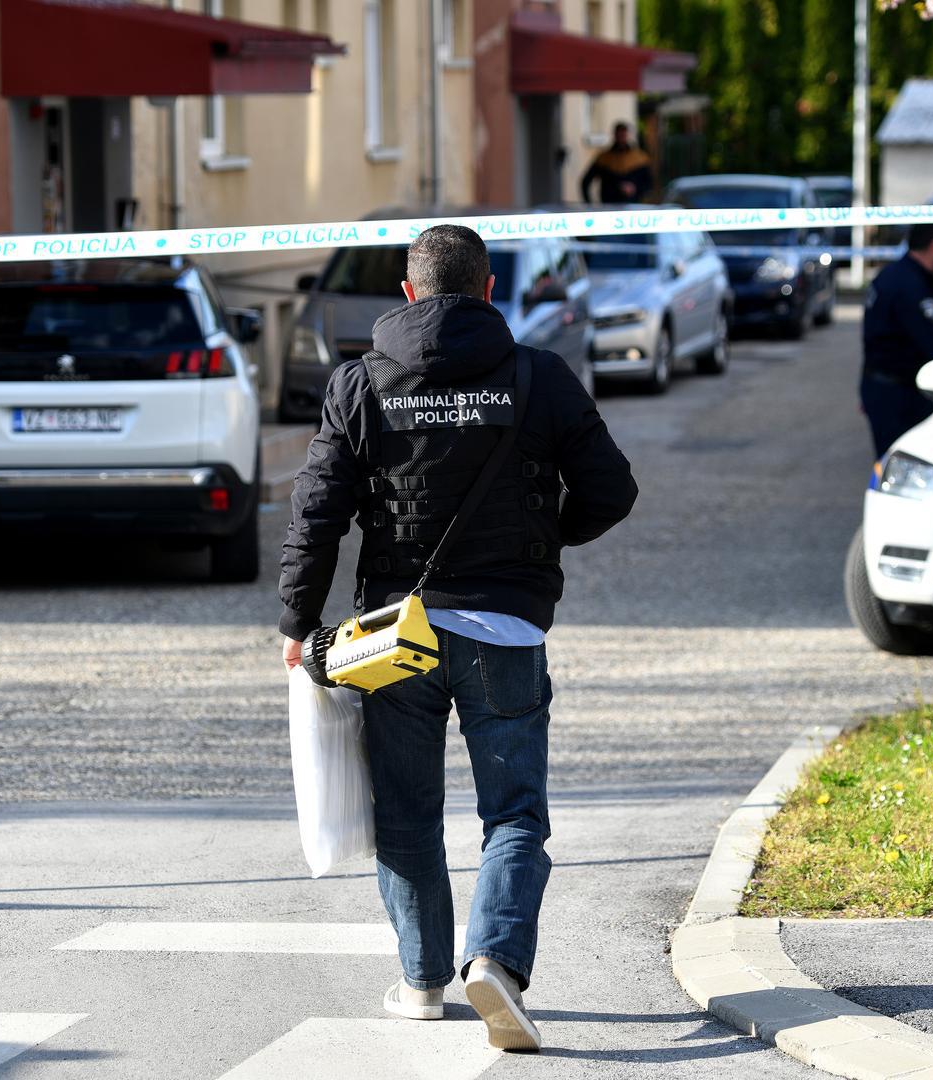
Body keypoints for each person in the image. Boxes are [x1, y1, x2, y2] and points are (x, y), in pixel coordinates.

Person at [278, 225, 637, 1052]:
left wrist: (299, 622)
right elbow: (611, 491)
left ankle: (422, 982)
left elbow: (317, 513)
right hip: (505, 630)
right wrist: (544, 541)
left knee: (406, 814)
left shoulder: (360, 384)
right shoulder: (537, 375)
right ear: (486, 291)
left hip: (392, 637)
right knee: (513, 816)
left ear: (406, 294)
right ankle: (498, 965)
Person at [860, 222, 933, 458]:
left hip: (883, 387)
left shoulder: (893, 275)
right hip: (898, 396)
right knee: (904, 463)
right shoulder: (910, 286)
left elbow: (872, 339)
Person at [580, 122, 653, 204]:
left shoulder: (640, 157)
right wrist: (589, 204)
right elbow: (585, 182)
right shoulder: (604, 158)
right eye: (619, 134)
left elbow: (649, 184)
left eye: (623, 134)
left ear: (628, 135)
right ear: (614, 135)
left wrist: (635, 188)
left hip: (633, 204)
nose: (621, 137)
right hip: (609, 205)